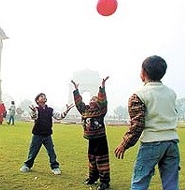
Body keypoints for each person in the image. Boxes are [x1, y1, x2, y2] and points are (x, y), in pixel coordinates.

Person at [114, 55, 180, 190]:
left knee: (140, 183)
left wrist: (124, 144)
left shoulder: (139, 95)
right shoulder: (171, 93)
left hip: (151, 143)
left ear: (143, 72)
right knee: (171, 184)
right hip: (172, 142)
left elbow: (137, 125)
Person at [19, 93, 74, 175]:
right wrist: (34, 111)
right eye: (41, 96)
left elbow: (59, 117)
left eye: (44, 96)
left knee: (51, 152)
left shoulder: (50, 110)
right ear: (37, 100)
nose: (43, 97)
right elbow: (34, 117)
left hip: (47, 134)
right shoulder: (36, 109)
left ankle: (55, 167)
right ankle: (27, 165)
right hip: (37, 134)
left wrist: (66, 111)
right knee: (32, 152)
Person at [71, 77, 110, 190]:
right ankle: (92, 177)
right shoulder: (85, 110)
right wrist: (76, 90)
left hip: (100, 138)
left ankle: (104, 182)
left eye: (95, 99)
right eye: (91, 99)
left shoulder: (101, 110)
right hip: (91, 139)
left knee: (102, 160)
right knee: (91, 159)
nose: (92, 100)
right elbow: (78, 103)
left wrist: (102, 86)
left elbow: (103, 101)